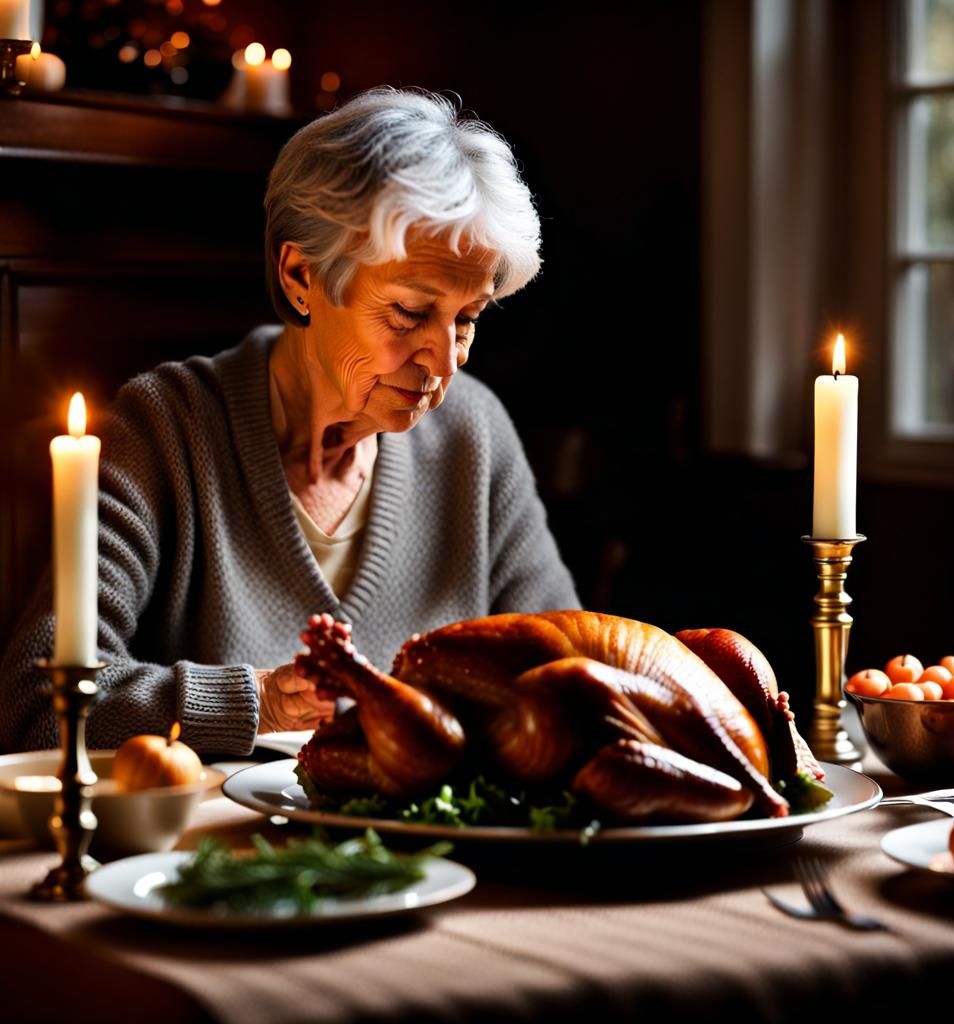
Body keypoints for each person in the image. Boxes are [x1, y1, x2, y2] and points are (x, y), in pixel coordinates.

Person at [0, 87, 579, 755]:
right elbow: (36, 705)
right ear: (303, 276)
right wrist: (258, 701)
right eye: (410, 314)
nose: (442, 362)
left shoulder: (472, 434)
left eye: (467, 319)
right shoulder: (169, 427)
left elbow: (562, 673)